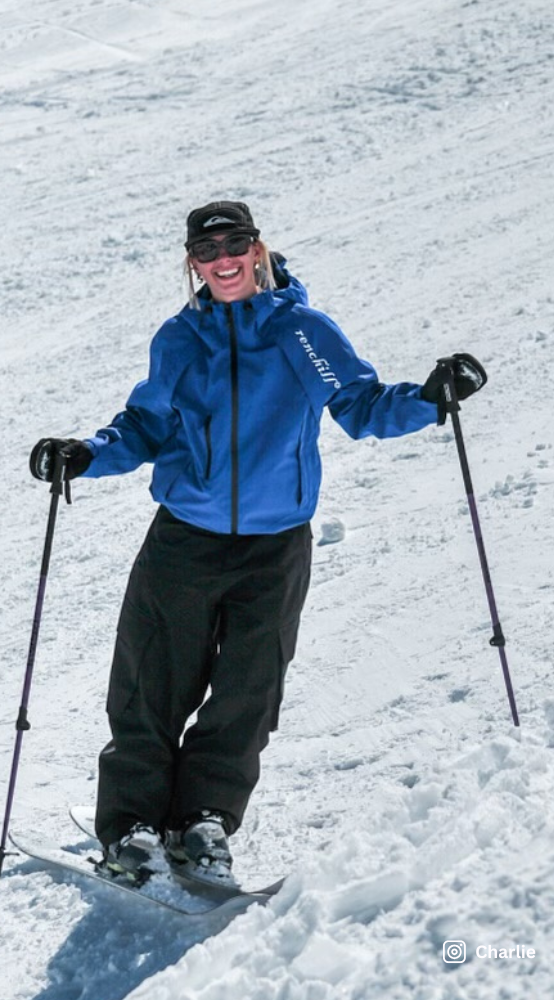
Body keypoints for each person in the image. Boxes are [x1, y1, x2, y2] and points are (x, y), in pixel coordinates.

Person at [30, 201, 486, 885]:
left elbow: (361, 404)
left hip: (275, 546)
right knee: (150, 682)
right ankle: (131, 824)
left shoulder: (302, 331)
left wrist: (431, 397)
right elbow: (146, 425)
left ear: (257, 248)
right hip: (185, 538)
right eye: (207, 250)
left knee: (249, 689)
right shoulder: (180, 339)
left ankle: (204, 817)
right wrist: (86, 454)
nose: (223, 260)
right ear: (193, 263)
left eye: (235, 244)